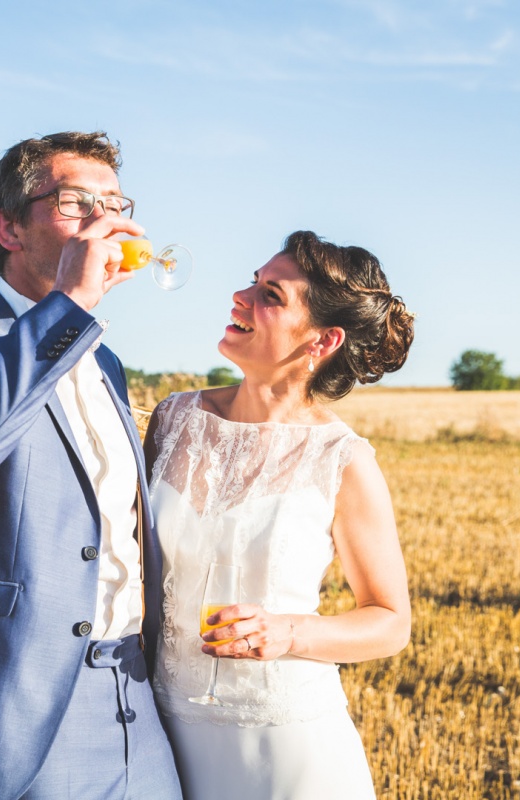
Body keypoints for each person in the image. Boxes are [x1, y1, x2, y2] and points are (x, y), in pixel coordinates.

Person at [0, 131, 182, 800]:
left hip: (133, 701)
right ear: (10, 228)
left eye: (114, 203)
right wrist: (68, 307)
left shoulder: (104, 360)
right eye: (79, 203)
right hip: (11, 710)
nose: (104, 221)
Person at [143, 231, 415, 800]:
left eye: (270, 294)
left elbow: (390, 621)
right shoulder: (173, 419)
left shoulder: (344, 459)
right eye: (252, 281)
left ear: (323, 339)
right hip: (163, 737)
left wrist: (287, 632)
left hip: (286, 751)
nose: (240, 296)